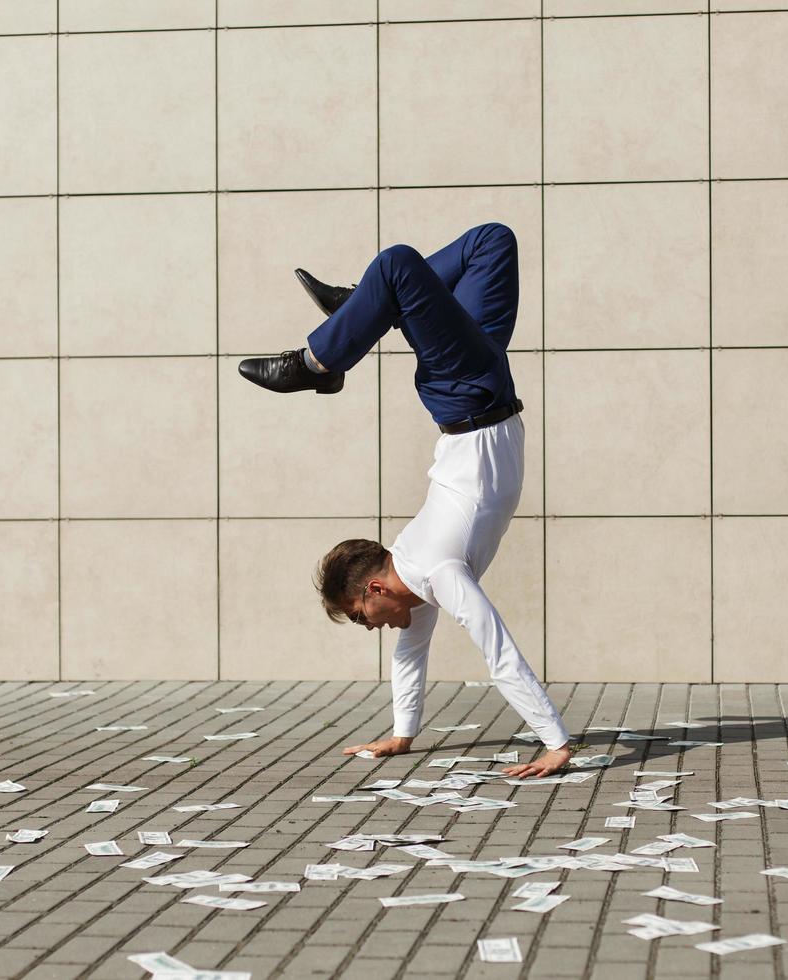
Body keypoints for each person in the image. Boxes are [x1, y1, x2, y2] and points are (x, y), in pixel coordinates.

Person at [237, 223, 574, 779]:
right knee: (491, 241)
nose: (376, 629)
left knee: (400, 263)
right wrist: (401, 734)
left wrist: (554, 741)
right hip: (488, 381)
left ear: (374, 589)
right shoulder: (418, 582)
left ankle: (317, 364)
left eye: (365, 618)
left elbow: (497, 647)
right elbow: (410, 660)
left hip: (463, 390)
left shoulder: (434, 570)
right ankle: (362, 311)